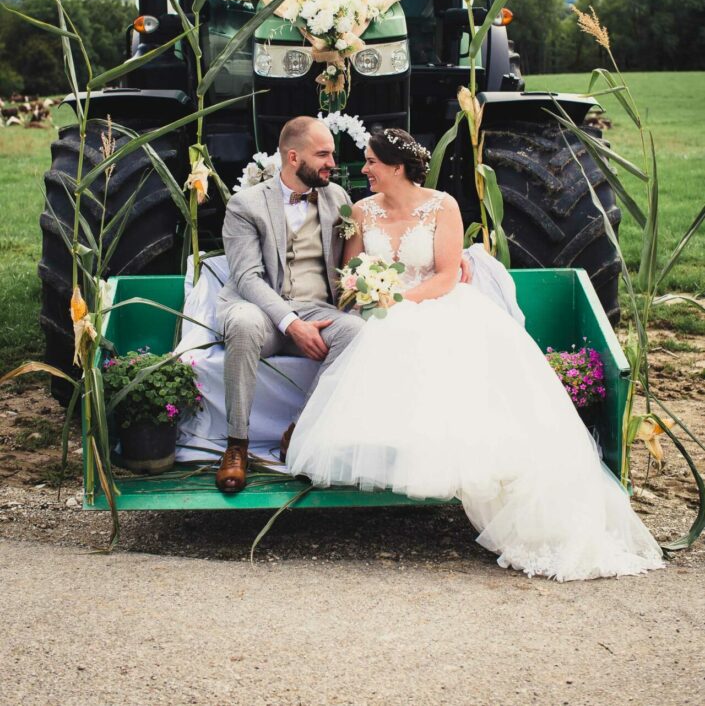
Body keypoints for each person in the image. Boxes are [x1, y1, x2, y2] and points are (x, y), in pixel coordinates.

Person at [286, 128, 665, 581]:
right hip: (380, 308)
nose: (362, 169)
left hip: (431, 303)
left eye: (370, 162)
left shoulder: (441, 205)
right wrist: (366, 288)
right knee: (380, 341)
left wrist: (400, 301)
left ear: (397, 167)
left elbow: (447, 275)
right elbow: (350, 268)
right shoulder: (361, 211)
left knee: (424, 342)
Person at [214, 116, 364, 493]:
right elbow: (247, 278)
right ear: (294, 157)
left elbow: (356, 256)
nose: (332, 161)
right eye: (324, 154)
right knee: (245, 323)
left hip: (317, 308)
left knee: (358, 332)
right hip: (262, 309)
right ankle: (237, 445)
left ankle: (299, 431)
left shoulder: (338, 198)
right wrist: (291, 323)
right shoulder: (245, 204)